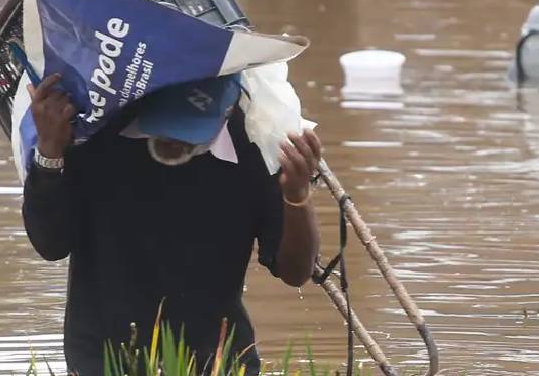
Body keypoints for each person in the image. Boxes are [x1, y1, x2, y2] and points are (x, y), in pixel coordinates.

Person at [21, 72, 322, 376]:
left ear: (227, 110)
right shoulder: (96, 130)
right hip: (104, 360)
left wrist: (297, 196)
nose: (178, 140)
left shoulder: (255, 142)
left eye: (194, 129)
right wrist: (49, 153)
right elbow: (51, 244)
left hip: (216, 361)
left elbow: (295, 271)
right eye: (170, 127)